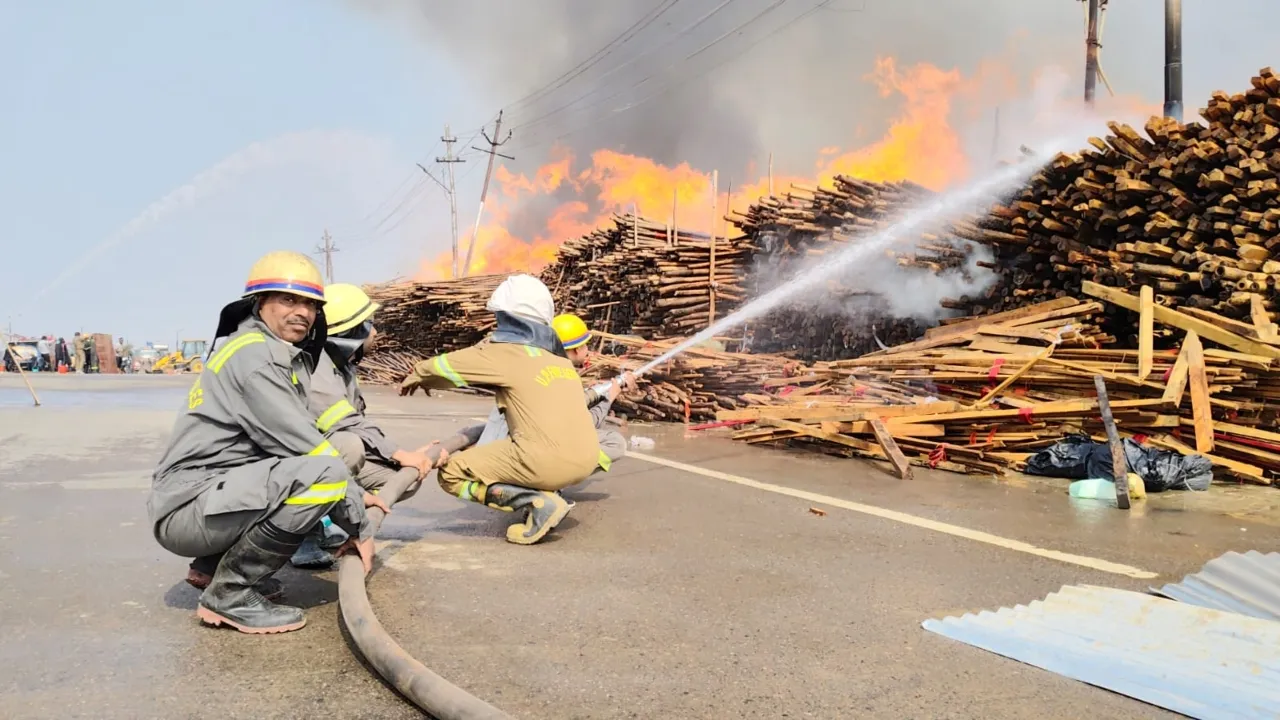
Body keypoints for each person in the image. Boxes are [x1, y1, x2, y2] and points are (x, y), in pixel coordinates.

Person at [148, 250, 385, 635]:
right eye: (288, 299)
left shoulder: (269, 351)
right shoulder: (256, 359)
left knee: (333, 464)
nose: (302, 312)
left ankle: (212, 568)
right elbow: (309, 450)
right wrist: (359, 525)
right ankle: (231, 592)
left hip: (205, 497)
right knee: (325, 472)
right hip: (188, 510)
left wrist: (353, 493)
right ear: (260, 303)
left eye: (310, 304)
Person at [399, 274, 599, 545]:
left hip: (547, 464)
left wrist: (419, 374)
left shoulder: (505, 354)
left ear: (507, 318)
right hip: (587, 459)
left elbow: (447, 366)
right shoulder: (560, 362)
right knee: (522, 448)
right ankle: (546, 493)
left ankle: (539, 503)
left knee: (452, 473)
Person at [289, 283, 440, 568]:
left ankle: (328, 519)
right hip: (294, 462)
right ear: (351, 332)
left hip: (320, 460)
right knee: (350, 448)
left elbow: (359, 423)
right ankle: (302, 535)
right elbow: (343, 424)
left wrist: (403, 460)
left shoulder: (341, 367)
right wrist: (398, 453)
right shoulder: (315, 366)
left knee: (401, 481)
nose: (375, 332)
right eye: (369, 324)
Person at [448, 313, 634, 503]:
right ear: (577, 350)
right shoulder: (564, 375)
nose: (588, 349)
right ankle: (549, 481)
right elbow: (583, 424)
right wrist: (609, 398)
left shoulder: (541, 367)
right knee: (615, 443)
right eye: (586, 344)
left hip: (519, 441)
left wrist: (597, 394)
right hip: (535, 451)